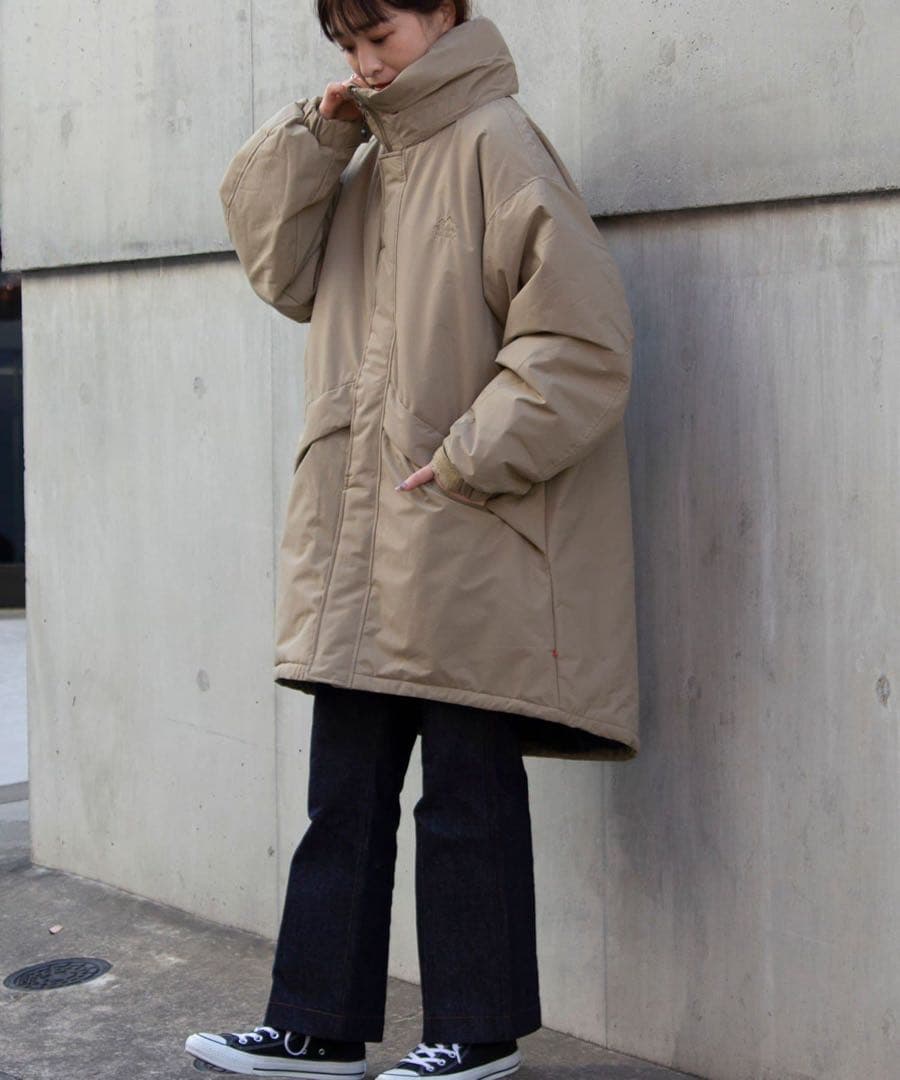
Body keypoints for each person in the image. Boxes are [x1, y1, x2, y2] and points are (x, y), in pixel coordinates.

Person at [185, 1, 639, 1077]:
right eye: (345, 45)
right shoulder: (367, 158)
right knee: (341, 791)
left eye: (379, 35)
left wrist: (471, 455)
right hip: (361, 530)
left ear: (444, 12)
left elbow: (581, 342)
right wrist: (320, 134)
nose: (364, 63)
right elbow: (276, 264)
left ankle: (474, 1036)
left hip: (465, 526)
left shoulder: (497, 141)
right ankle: (315, 1026)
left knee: (466, 793)